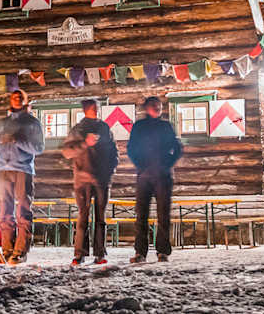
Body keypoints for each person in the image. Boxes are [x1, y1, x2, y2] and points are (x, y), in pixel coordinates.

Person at [0, 88, 44, 265]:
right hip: (3, 169)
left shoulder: (32, 123)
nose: (17, 99)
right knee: (5, 210)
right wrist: (0, 140)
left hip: (23, 169)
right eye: (14, 97)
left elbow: (38, 148)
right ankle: (6, 250)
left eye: (20, 97)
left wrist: (16, 140)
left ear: (25, 101)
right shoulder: (3, 123)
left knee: (23, 210)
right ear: (10, 101)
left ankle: (20, 251)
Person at [126, 96, 183, 263]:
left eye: (159, 106)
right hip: (144, 176)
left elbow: (177, 147)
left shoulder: (166, 126)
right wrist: (140, 165)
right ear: (147, 108)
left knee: (163, 214)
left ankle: (163, 251)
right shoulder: (139, 127)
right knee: (141, 214)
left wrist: (168, 164)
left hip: (163, 177)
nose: (157, 108)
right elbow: (131, 148)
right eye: (154, 105)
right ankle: (140, 252)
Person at [61, 99, 118, 266]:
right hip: (83, 181)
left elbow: (114, 151)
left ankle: (100, 254)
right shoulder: (78, 130)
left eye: (97, 107)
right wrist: (85, 143)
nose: (96, 110)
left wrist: (110, 170)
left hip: (102, 180)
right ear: (86, 110)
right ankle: (79, 254)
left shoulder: (104, 128)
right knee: (83, 218)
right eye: (93, 108)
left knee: (101, 218)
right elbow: (66, 152)